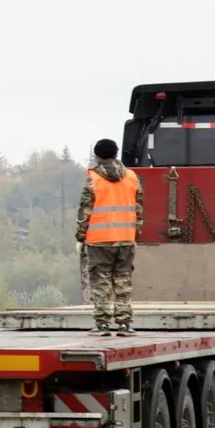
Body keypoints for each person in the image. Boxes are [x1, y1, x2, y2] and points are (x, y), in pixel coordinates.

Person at [76, 138, 144, 336]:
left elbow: (85, 211)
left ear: (96, 156)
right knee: (123, 281)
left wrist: (81, 236)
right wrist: (135, 233)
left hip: (99, 240)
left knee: (101, 282)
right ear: (116, 153)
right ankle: (125, 325)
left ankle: (102, 325)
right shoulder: (132, 177)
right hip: (126, 238)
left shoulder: (93, 179)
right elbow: (139, 208)